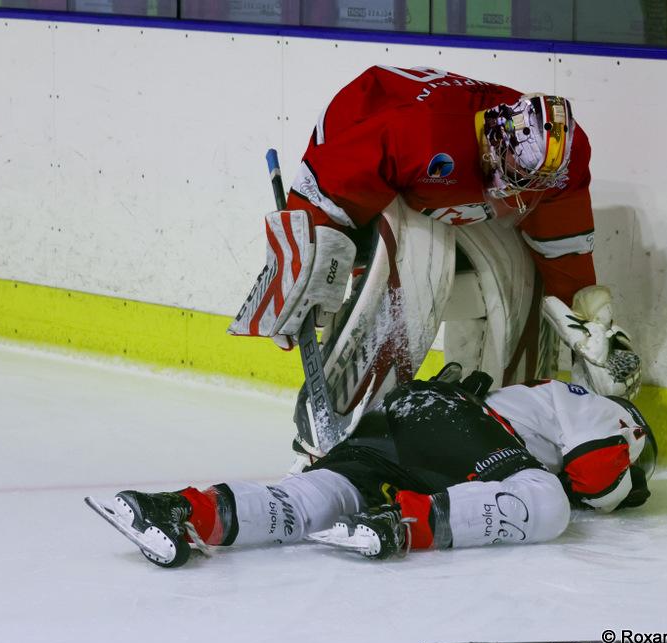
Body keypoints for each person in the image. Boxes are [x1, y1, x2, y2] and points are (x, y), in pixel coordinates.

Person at [228, 66, 641, 422]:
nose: (517, 198)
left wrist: (588, 324)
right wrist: (313, 254)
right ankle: (354, 403)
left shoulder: (562, 158)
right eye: (514, 179)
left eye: (529, 187)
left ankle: (506, 419)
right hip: (356, 131)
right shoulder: (422, 136)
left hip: (438, 163)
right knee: (417, 264)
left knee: (523, 270)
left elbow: (564, 247)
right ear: (494, 139)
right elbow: (329, 184)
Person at [85, 365, 656, 568]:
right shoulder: (596, 405)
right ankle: (405, 521)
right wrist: (629, 487)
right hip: (442, 417)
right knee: (549, 503)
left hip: (402, 431)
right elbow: (599, 471)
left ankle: (183, 510)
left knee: (315, 501)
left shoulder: (528, 401)